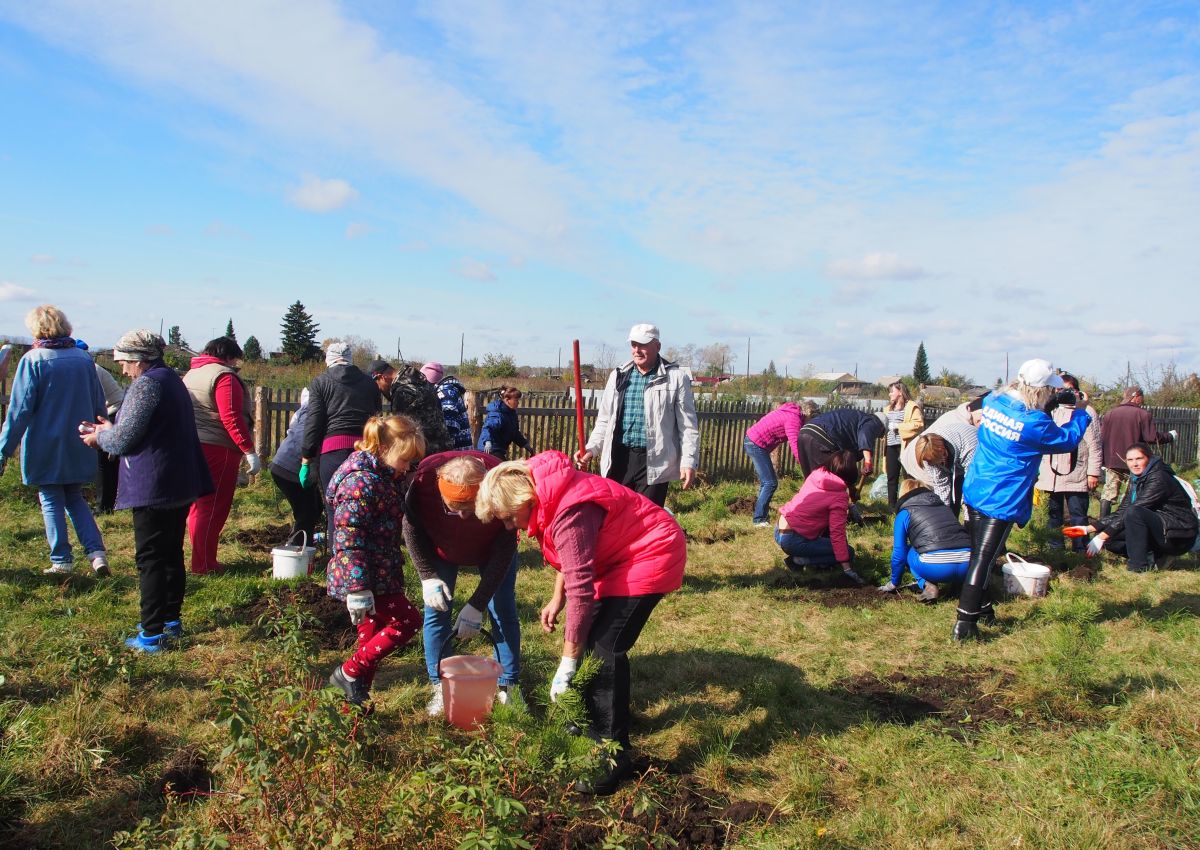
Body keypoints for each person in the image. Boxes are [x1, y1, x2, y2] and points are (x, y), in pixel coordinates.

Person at [476, 450, 686, 795]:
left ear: (523, 498)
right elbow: (573, 558)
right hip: (618, 556)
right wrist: (558, 597)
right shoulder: (549, 493)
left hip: (651, 551)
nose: (508, 525)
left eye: (508, 516)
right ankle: (589, 719)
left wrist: (567, 662)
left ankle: (613, 753)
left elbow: (582, 586)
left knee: (605, 649)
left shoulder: (570, 509)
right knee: (591, 641)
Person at [79, 330, 213, 651]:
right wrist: (112, 428)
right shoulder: (171, 379)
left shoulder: (147, 384)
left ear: (139, 360)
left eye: (124, 362)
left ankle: (151, 634)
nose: (123, 370)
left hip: (157, 484)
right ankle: (170, 620)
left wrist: (100, 437)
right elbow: (140, 427)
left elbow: (125, 440)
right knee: (170, 554)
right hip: (179, 480)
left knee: (151, 558)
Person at [954, 360, 1091, 641]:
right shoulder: (1035, 423)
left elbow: (1015, 411)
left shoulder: (994, 401)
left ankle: (983, 608)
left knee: (978, 552)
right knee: (985, 557)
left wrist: (1051, 404)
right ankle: (964, 623)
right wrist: (1079, 411)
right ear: (1041, 391)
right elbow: (1066, 440)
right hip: (1002, 497)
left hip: (978, 487)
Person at [403, 452, 522, 715]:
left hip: (492, 549)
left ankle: (509, 686)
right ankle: (440, 686)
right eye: (453, 509)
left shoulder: (499, 484)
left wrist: (477, 604)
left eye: (470, 509)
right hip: (441, 548)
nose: (464, 517)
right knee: (436, 612)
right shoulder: (423, 484)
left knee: (502, 610)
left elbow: (505, 548)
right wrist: (427, 576)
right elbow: (410, 528)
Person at [0, 305, 109, 576]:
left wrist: (4, 450)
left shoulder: (34, 360)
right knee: (75, 496)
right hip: (80, 440)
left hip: (45, 443)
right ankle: (97, 554)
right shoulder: (84, 359)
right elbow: (99, 403)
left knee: (50, 498)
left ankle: (61, 559)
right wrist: (104, 435)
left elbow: (19, 410)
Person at [325, 415, 426, 707]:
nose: (407, 467)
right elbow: (349, 536)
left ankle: (355, 695)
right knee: (407, 621)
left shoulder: (384, 476)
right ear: (383, 449)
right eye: (405, 460)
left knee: (370, 629)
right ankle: (348, 672)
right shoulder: (360, 482)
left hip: (379, 571)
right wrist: (357, 588)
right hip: (362, 574)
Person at [576, 323, 700, 507]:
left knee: (647, 519)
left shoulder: (675, 378)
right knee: (616, 517)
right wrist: (591, 449)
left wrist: (688, 462)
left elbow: (688, 426)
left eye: (642, 345)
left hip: (654, 461)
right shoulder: (618, 376)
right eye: (633, 345)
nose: (636, 350)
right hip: (619, 458)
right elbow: (604, 420)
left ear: (657, 346)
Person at [181, 337, 259, 574]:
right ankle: (204, 564)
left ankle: (202, 559)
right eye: (236, 360)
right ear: (228, 356)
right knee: (213, 506)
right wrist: (249, 450)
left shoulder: (192, 374)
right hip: (217, 447)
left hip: (191, 443)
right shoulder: (223, 377)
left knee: (198, 505)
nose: (236, 365)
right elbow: (231, 417)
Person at [1071, 443, 1198, 572]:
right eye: (1130, 460)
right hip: (1161, 528)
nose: (1134, 464)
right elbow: (1122, 511)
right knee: (1111, 539)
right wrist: (1089, 529)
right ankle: (1156, 557)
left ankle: (1138, 567)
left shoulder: (1159, 477)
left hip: (1178, 534)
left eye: (1139, 459)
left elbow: (1135, 509)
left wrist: (1102, 536)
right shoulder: (1136, 478)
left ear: (1148, 458)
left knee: (1134, 513)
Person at [301, 342, 381, 540]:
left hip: (333, 453)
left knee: (333, 508)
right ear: (350, 359)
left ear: (329, 360)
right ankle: (364, 557)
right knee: (366, 505)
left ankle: (337, 561)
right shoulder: (369, 383)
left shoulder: (321, 382)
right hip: (365, 451)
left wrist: (306, 458)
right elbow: (377, 419)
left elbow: (314, 422)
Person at [773, 450, 867, 585]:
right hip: (794, 540)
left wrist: (849, 506)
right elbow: (837, 533)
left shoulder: (816, 475)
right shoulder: (839, 496)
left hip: (779, 528)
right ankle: (799, 560)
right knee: (849, 551)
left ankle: (811, 558)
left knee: (825, 538)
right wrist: (847, 568)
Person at [1035, 373, 1101, 553]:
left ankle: (1080, 550)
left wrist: (1093, 472)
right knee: (1052, 515)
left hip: (1076, 473)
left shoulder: (1086, 411)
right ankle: (1054, 550)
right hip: (1050, 474)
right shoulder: (1049, 410)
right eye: (1060, 389)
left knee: (1078, 515)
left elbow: (1095, 444)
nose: (1064, 393)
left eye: (1069, 389)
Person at [878, 480, 971, 602]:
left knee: (908, 550)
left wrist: (894, 583)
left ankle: (927, 585)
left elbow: (899, 554)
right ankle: (960, 585)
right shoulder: (944, 507)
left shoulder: (905, 513)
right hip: (968, 564)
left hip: (936, 568)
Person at [1099, 385, 1177, 518]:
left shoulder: (1110, 414)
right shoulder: (1143, 414)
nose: (1143, 401)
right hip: (1136, 462)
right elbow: (1151, 437)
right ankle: (1128, 523)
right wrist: (1170, 436)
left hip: (1112, 460)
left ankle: (1102, 524)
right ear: (1136, 397)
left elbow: (1102, 438)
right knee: (1133, 493)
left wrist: (1103, 460)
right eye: (1142, 397)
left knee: (1109, 493)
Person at [900, 396, 983, 515]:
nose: (930, 464)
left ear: (943, 453)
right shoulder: (928, 454)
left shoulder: (969, 446)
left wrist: (967, 512)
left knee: (967, 505)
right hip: (950, 456)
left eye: (933, 462)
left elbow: (970, 482)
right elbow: (941, 486)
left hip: (972, 461)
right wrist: (942, 516)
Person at [743, 399, 819, 527]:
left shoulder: (791, 412)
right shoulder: (793, 419)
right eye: (811, 420)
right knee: (770, 483)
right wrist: (806, 467)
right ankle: (759, 519)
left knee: (766, 483)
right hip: (756, 444)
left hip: (753, 441)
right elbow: (795, 445)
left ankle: (761, 515)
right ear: (808, 414)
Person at [76, 340, 125, 514]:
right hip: (105, 411)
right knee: (103, 463)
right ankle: (104, 503)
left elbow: (92, 398)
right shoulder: (89, 367)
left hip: (112, 412)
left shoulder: (92, 369)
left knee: (104, 463)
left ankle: (104, 506)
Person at [269, 388, 324, 544]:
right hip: (291, 468)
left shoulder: (305, 410)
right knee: (307, 513)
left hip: (281, 463)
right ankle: (296, 552)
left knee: (315, 507)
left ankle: (302, 542)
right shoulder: (318, 416)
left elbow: (292, 429)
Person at [369, 358, 452, 454]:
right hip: (443, 447)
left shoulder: (402, 392)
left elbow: (401, 432)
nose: (379, 389)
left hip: (425, 453)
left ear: (382, 377)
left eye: (377, 385)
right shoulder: (420, 381)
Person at [795, 407, 886, 479]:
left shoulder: (857, 419)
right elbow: (865, 434)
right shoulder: (873, 422)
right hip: (821, 436)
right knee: (829, 479)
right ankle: (830, 502)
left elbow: (847, 462)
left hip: (804, 432)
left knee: (812, 479)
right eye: (880, 434)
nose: (876, 437)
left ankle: (813, 502)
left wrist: (851, 489)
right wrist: (868, 462)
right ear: (881, 427)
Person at [883, 382, 924, 509]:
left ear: (900, 392)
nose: (890, 394)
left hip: (906, 447)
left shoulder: (911, 407)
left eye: (892, 391)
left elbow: (918, 425)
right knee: (892, 477)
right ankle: (892, 506)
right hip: (890, 446)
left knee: (909, 476)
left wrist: (898, 426)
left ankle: (911, 504)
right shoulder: (888, 409)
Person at [422, 362, 473, 450]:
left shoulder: (446, 393)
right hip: (458, 450)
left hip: (456, 452)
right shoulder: (447, 390)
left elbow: (450, 425)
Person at [477, 386, 535, 460]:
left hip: (498, 450)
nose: (518, 402)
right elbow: (488, 428)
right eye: (516, 400)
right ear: (507, 400)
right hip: (489, 449)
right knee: (504, 470)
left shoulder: (511, 414)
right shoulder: (498, 413)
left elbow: (514, 433)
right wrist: (487, 442)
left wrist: (525, 444)